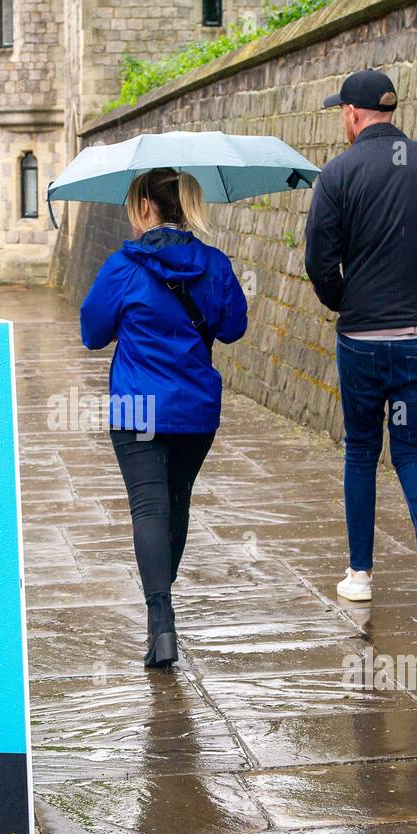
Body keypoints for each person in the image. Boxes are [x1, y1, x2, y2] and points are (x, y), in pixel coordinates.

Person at [304, 69, 417, 620]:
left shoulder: (337, 174)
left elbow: (320, 266)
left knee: (360, 450)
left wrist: (346, 302)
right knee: (413, 449)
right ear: (390, 112)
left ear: (352, 115)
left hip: (363, 340)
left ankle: (360, 574)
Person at [81, 168, 248, 668]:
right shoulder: (214, 264)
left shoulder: (122, 268)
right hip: (195, 411)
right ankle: (162, 614)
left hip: (137, 408)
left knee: (148, 509)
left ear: (146, 209)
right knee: (175, 505)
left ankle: (161, 622)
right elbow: (234, 326)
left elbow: (92, 331)